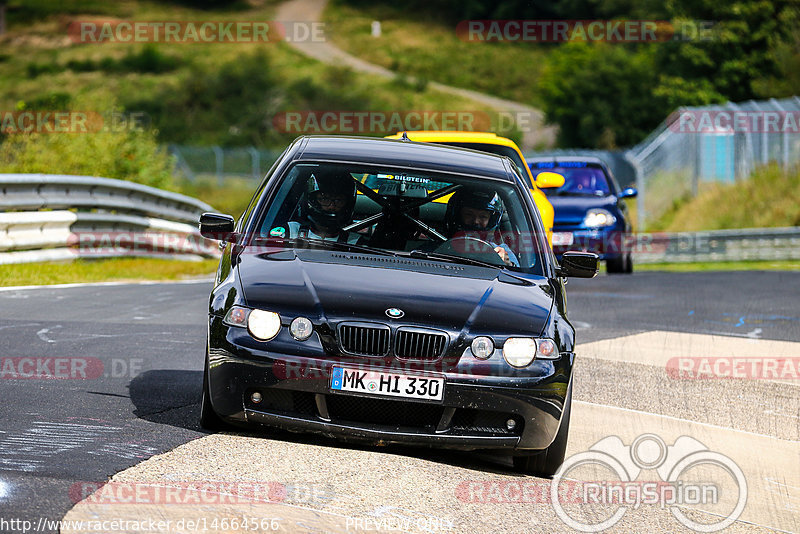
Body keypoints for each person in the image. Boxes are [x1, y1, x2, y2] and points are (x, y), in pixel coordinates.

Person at [442, 187, 519, 267]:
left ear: (491, 220)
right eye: (469, 214)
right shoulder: (439, 244)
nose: (476, 221)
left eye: (483, 216)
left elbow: (517, 274)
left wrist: (507, 263)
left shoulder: (501, 250)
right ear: (458, 215)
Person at [286, 169, 363, 243]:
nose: (331, 206)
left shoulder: (355, 242)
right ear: (314, 200)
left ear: (347, 203)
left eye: (338, 200)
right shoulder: (291, 231)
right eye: (325, 199)